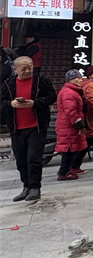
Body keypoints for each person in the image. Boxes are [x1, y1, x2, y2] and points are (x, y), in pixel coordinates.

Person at [0, 56, 56, 202]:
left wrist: (35, 103)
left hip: (36, 126)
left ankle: (35, 187)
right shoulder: (8, 84)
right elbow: (1, 102)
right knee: (21, 159)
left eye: (30, 68)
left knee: (34, 158)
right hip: (16, 127)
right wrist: (10, 104)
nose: (27, 71)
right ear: (15, 69)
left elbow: (52, 97)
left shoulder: (40, 81)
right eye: (23, 69)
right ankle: (26, 186)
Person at [55, 70, 88, 181]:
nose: (79, 80)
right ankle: (64, 172)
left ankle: (67, 169)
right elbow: (71, 111)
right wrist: (79, 124)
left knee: (74, 147)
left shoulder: (72, 91)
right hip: (69, 125)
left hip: (68, 125)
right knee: (69, 149)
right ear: (69, 80)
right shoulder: (69, 93)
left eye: (80, 78)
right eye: (76, 78)